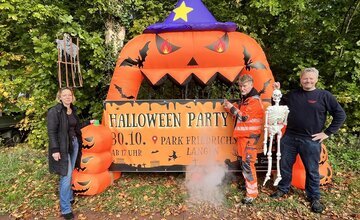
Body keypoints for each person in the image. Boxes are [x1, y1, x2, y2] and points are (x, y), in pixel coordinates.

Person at [270, 67, 346, 213]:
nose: (308, 81)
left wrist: (327, 133)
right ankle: (283, 189)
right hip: (290, 138)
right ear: (301, 79)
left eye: (311, 78)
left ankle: (314, 197)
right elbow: (276, 106)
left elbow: (340, 115)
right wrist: (276, 92)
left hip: (311, 140)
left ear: (316, 79)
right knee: (284, 165)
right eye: (305, 78)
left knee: (312, 170)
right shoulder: (293, 95)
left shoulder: (324, 96)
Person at [47, 87, 92, 219]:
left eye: (69, 95)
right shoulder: (54, 111)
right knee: (65, 176)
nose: (67, 97)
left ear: (72, 97)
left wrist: (89, 122)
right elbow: (52, 132)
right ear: (60, 97)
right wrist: (55, 150)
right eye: (64, 95)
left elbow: (76, 127)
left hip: (74, 144)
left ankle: (69, 196)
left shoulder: (73, 110)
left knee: (70, 172)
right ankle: (65, 209)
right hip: (62, 147)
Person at [223, 74, 264, 204]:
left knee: (248, 166)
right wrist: (228, 106)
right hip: (243, 139)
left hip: (249, 140)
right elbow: (236, 110)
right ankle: (248, 187)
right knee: (244, 164)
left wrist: (230, 107)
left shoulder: (254, 101)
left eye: (244, 86)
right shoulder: (246, 99)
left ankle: (252, 194)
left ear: (251, 85)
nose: (242, 88)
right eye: (240, 86)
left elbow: (243, 117)